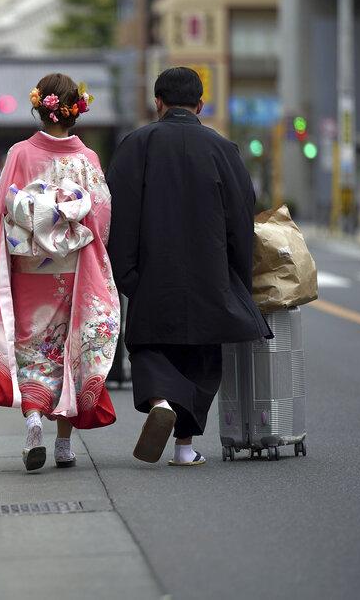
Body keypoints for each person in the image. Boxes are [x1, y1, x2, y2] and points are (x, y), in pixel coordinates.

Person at [0, 73, 119, 471]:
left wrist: (35, 216)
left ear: (39, 107)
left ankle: (31, 419)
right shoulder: (86, 159)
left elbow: (1, 202)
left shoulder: (20, 153)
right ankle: (64, 443)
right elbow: (101, 211)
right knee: (68, 346)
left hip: (29, 267)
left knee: (32, 344)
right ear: (76, 110)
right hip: (73, 268)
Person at [107, 67, 271, 467]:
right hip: (209, 273)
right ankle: (183, 448)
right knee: (201, 357)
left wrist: (125, 274)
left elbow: (116, 213)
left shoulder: (135, 144)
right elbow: (241, 217)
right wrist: (237, 278)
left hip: (150, 272)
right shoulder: (223, 150)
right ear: (200, 105)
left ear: (157, 103)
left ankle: (161, 400)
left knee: (149, 347)